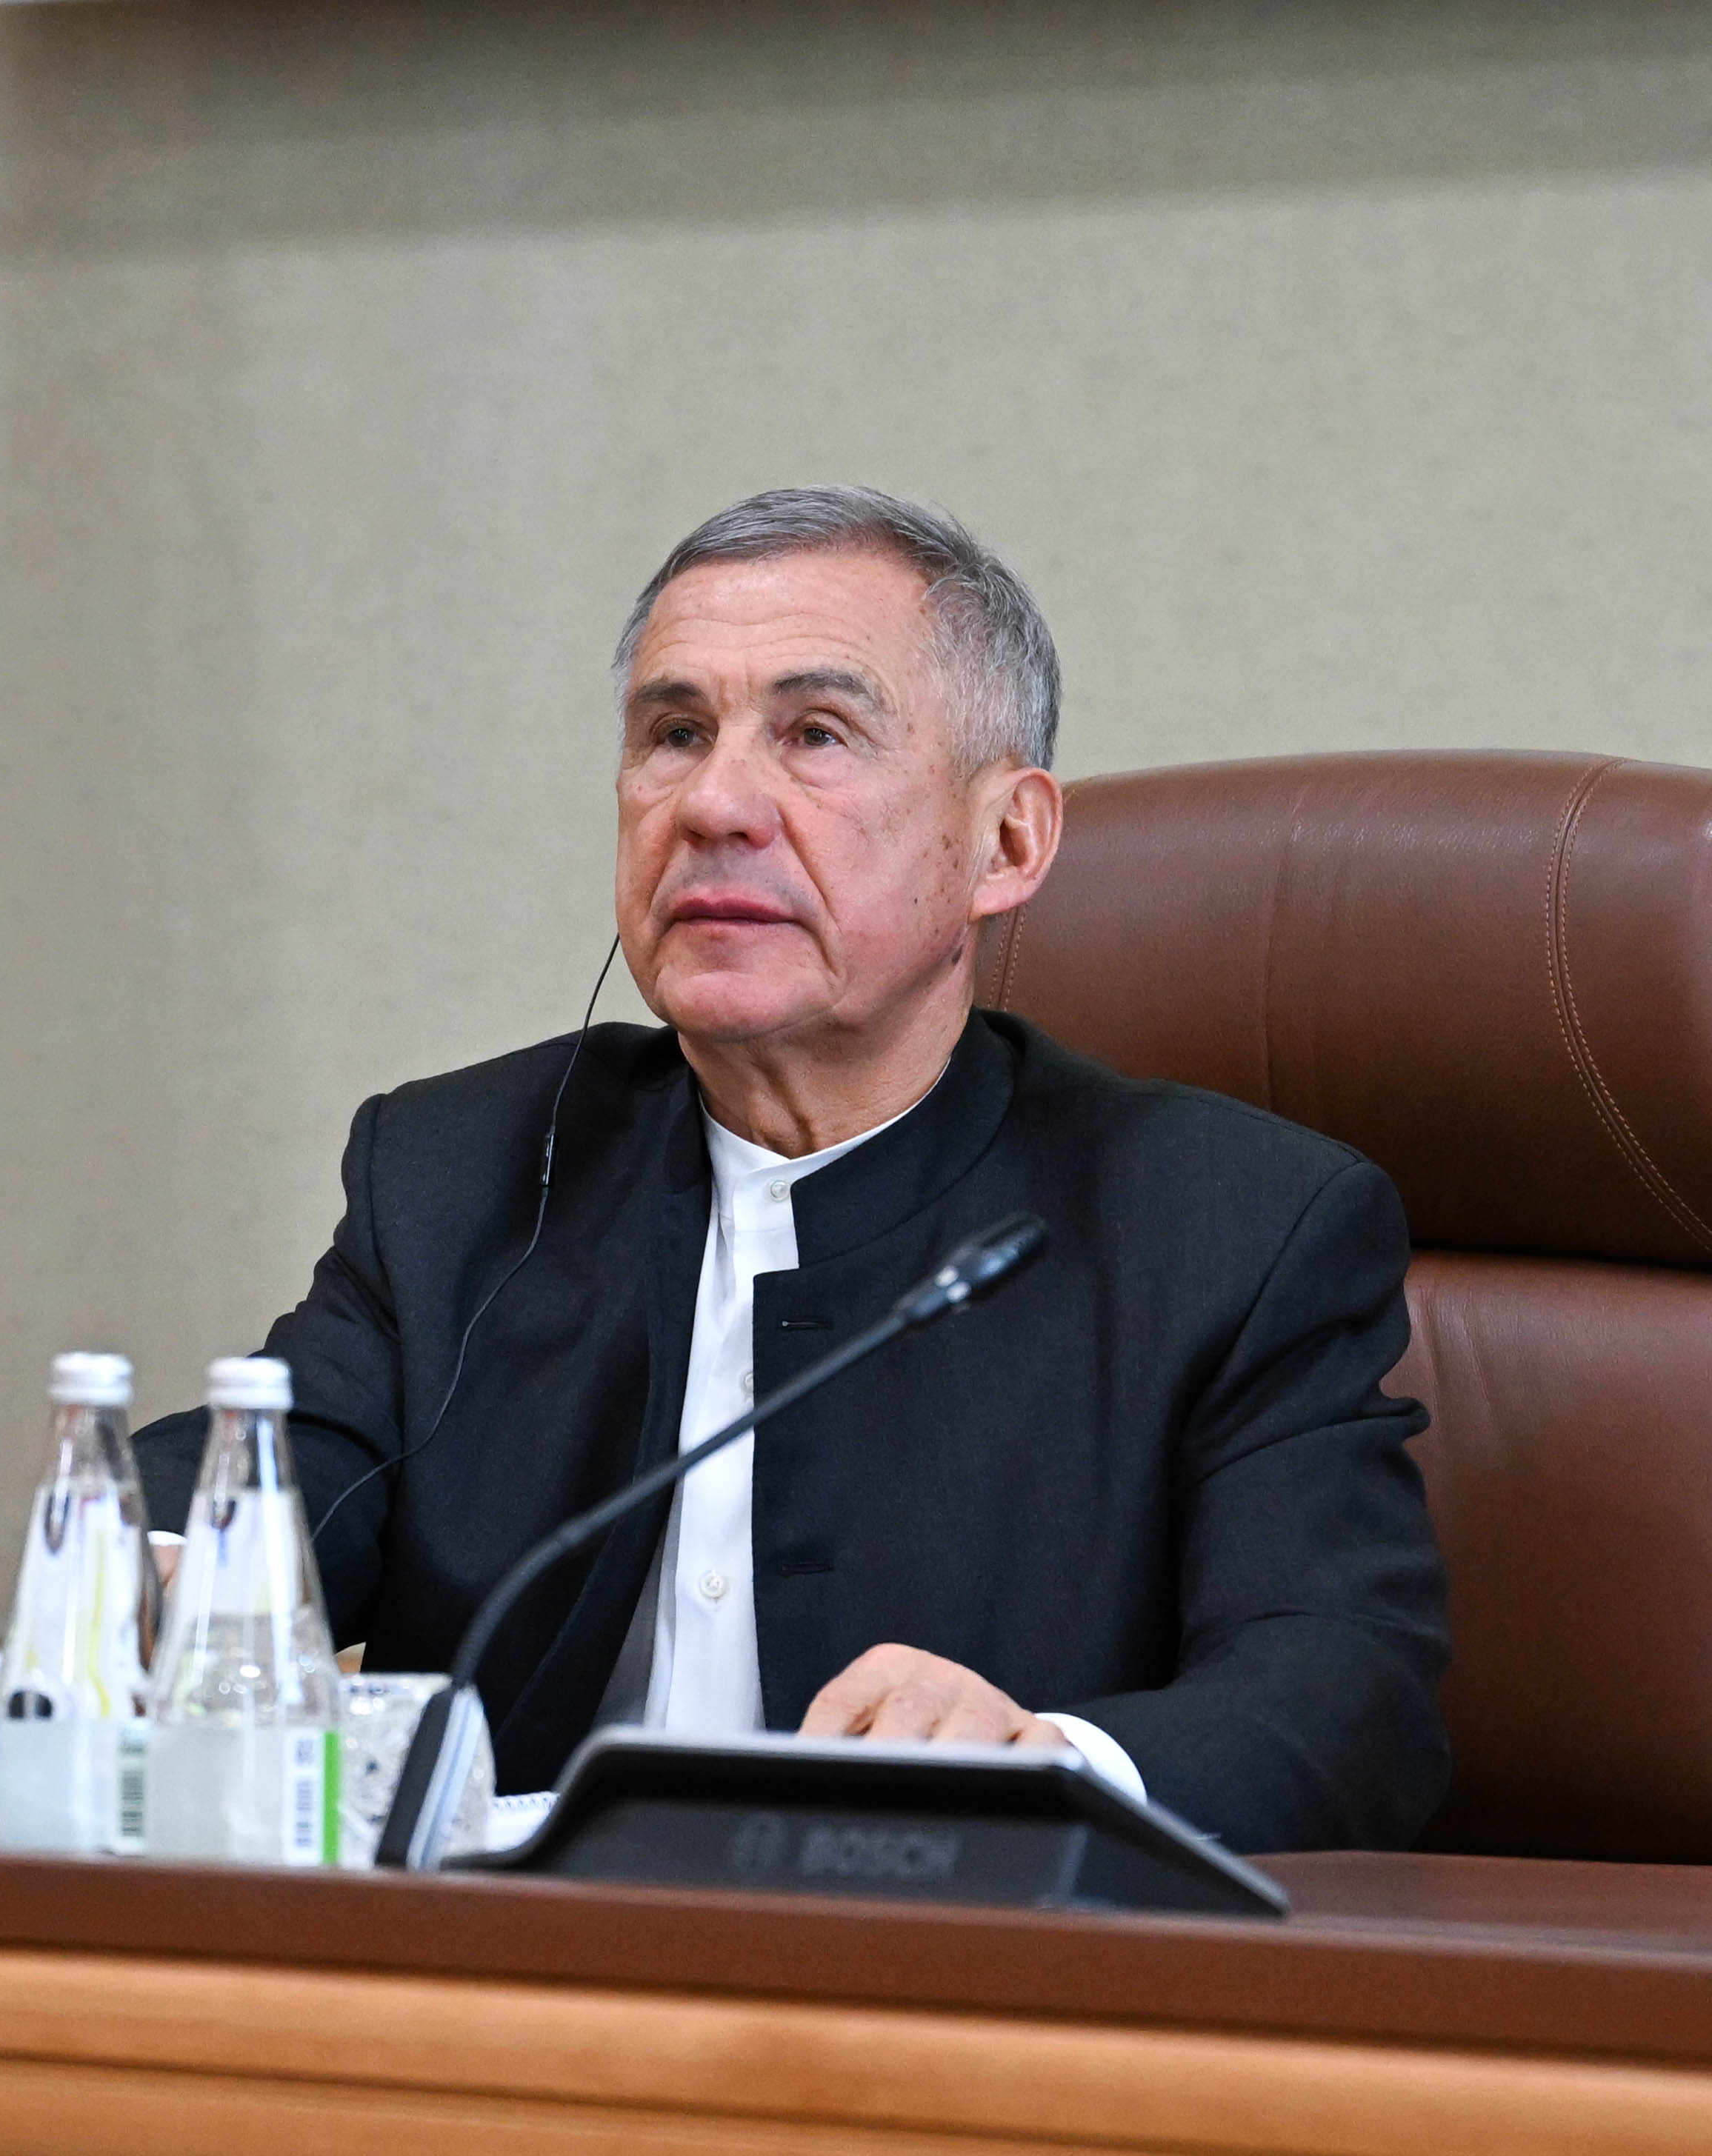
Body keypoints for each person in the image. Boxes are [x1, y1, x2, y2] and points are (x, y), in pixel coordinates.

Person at [132, 486, 1450, 1854]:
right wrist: (145, 1569)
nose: (713, 804)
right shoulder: (462, 1170)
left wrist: (1042, 1765)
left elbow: (1344, 1696)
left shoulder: (1233, 1228)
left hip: (936, 1959)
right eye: (674, 734)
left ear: (1007, 842)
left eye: (817, 734)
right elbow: (273, 1475)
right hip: (507, 1954)